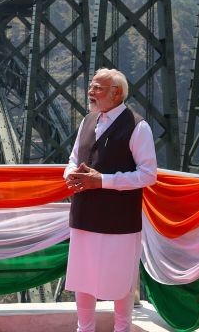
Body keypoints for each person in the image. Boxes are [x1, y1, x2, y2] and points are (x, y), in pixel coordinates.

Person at [64, 68, 158, 332]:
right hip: (84, 215)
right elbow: (73, 159)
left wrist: (102, 180)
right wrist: (70, 174)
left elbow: (149, 174)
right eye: (91, 86)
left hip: (119, 221)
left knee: (121, 281)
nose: (90, 92)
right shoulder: (87, 121)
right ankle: (84, 329)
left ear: (116, 93)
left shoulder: (138, 127)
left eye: (97, 88)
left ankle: (122, 329)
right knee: (82, 278)